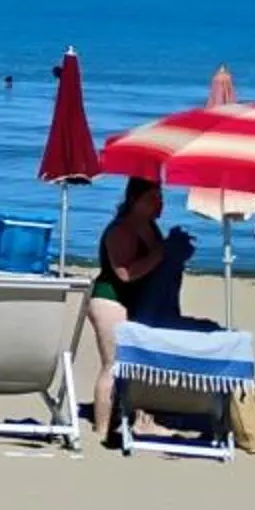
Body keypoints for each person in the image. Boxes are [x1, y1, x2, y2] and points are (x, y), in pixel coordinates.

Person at [84, 176, 173, 440]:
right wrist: (158, 255)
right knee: (113, 364)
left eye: (161, 198)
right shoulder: (121, 230)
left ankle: (142, 419)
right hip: (110, 299)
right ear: (134, 200)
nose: (159, 203)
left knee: (142, 364)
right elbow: (125, 273)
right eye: (152, 198)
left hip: (136, 301)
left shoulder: (150, 227)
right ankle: (101, 427)